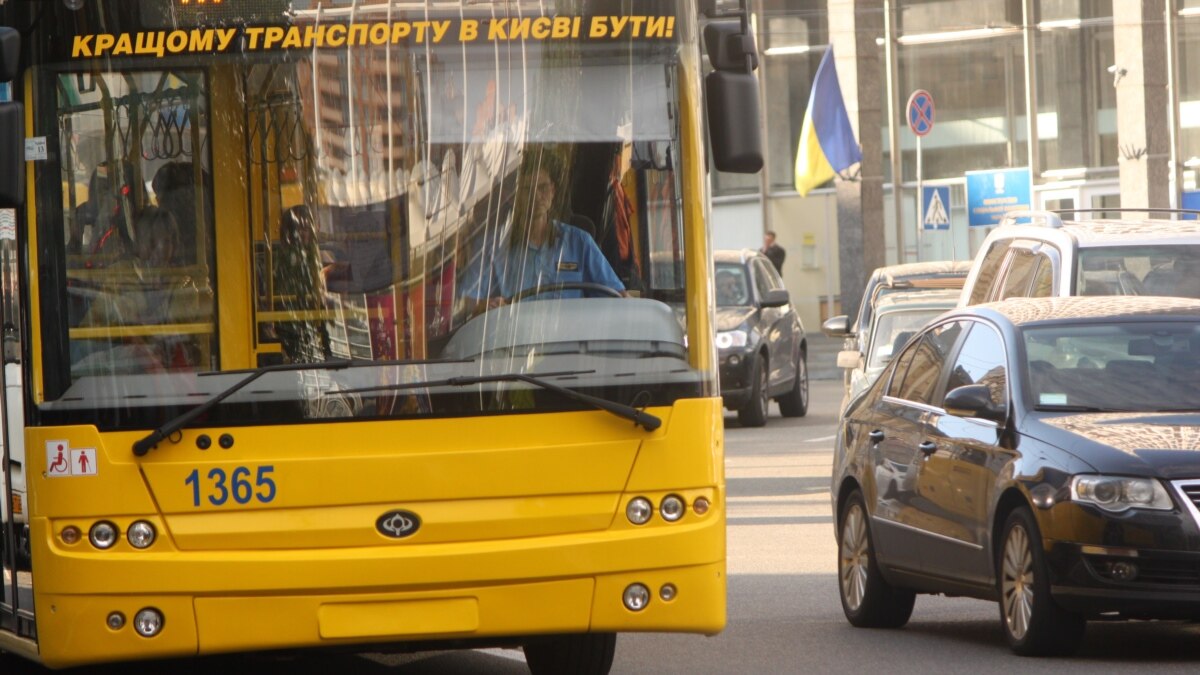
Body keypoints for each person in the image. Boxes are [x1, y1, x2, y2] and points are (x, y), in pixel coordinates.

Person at [464, 152, 625, 312]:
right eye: (527, 189)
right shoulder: (491, 245)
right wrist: (488, 306)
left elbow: (618, 297)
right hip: (514, 335)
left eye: (542, 188)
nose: (536, 196)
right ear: (513, 197)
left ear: (553, 191)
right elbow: (470, 304)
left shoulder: (579, 242)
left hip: (568, 335)